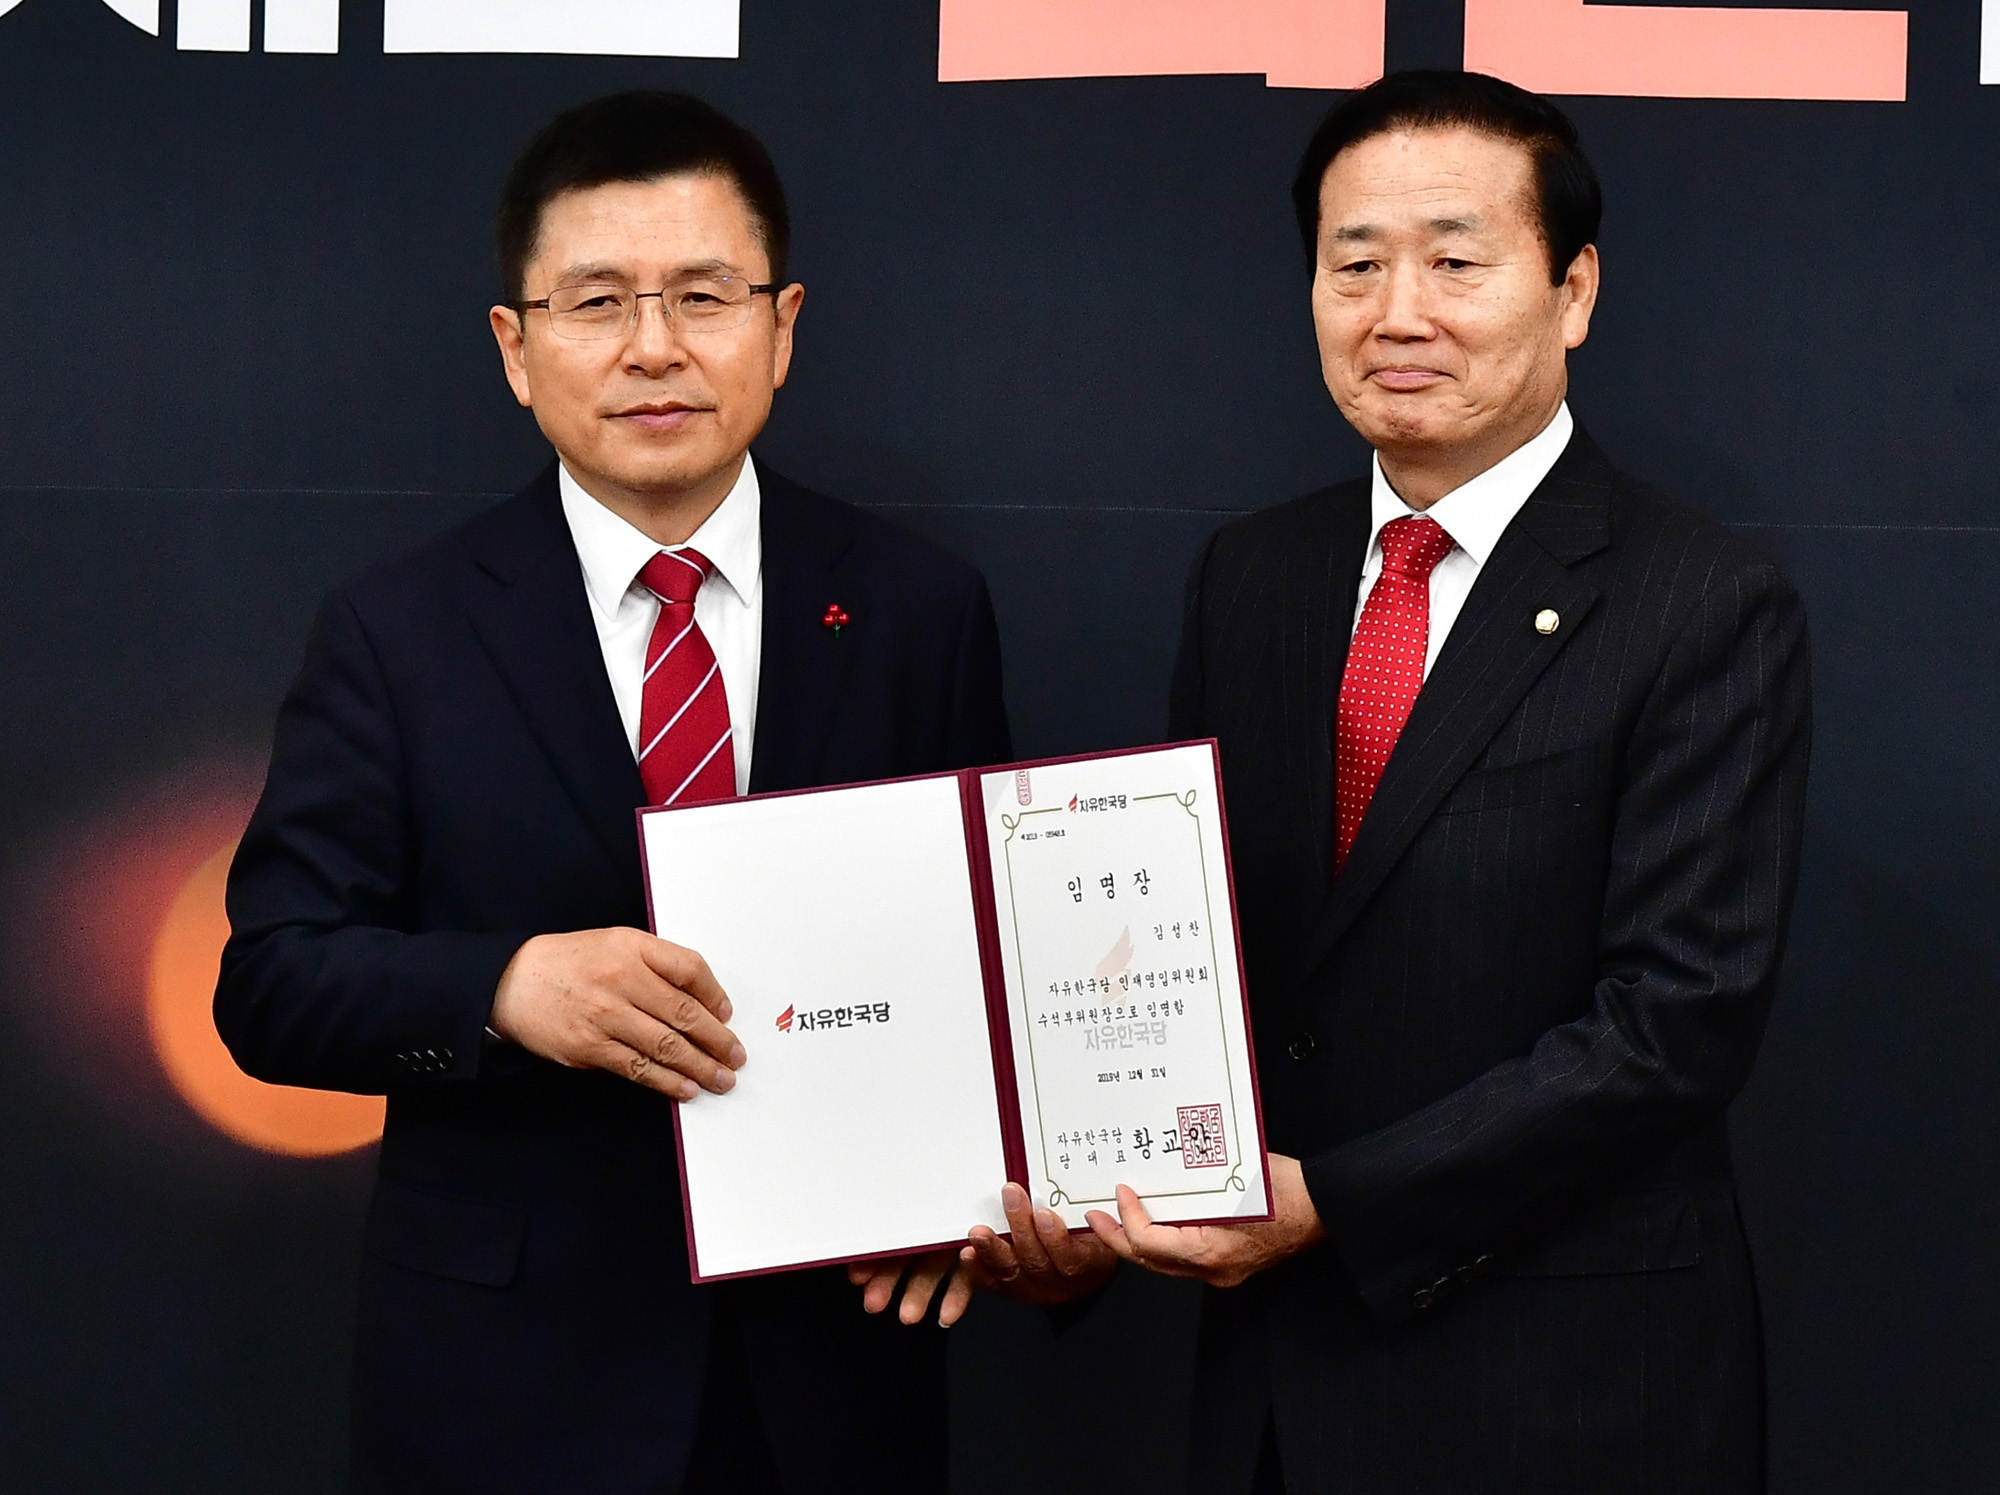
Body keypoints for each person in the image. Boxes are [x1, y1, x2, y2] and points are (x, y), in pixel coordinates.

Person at [970, 70, 1812, 1493]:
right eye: (1354, 264)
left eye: (1456, 261)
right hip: (1279, 1393)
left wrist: (1332, 1207)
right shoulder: (1254, 576)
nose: (1397, 312)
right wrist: (1073, 1185)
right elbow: (1194, 949)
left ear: (1575, 289)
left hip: (1567, 1392)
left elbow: (1676, 1023)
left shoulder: (1703, 601)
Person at [215, 91, 1008, 1494]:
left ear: (783, 326)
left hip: (834, 1365)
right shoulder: (397, 631)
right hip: (504, 1385)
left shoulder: (915, 608)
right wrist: (506, 989)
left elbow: (985, 958)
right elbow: (272, 982)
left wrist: (967, 1177)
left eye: (704, 295)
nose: (654, 347)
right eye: (596, 302)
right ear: (517, 350)